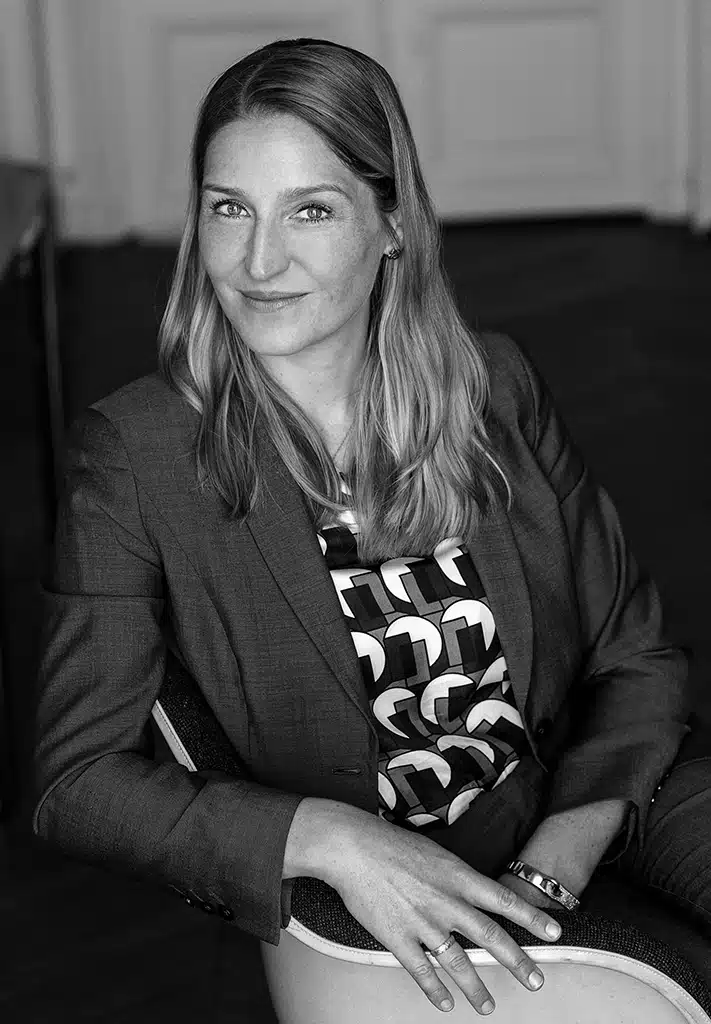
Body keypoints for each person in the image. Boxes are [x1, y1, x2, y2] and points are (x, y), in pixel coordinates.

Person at [32, 36, 707, 1020]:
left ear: (392, 224)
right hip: (397, 896)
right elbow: (74, 779)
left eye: (312, 209)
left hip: (604, 789)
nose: (259, 261)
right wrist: (324, 838)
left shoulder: (493, 384)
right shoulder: (135, 455)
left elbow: (638, 658)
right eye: (230, 209)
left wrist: (560, 858)